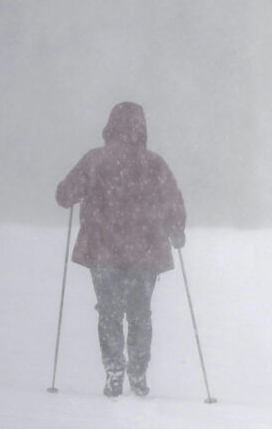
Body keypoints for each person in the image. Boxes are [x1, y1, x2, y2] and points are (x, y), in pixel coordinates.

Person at [55, 102, 186, 397]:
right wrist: (176, 228)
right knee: (140, 313)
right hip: (145, 250)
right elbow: (172, 200)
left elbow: (66, 195)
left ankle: (114, 369)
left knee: (109, 312)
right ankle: (138, 372)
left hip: (104, 250)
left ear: (110, 126)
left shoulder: (95, 160)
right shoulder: (154, 163)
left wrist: (67, 192)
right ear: (142, 128)